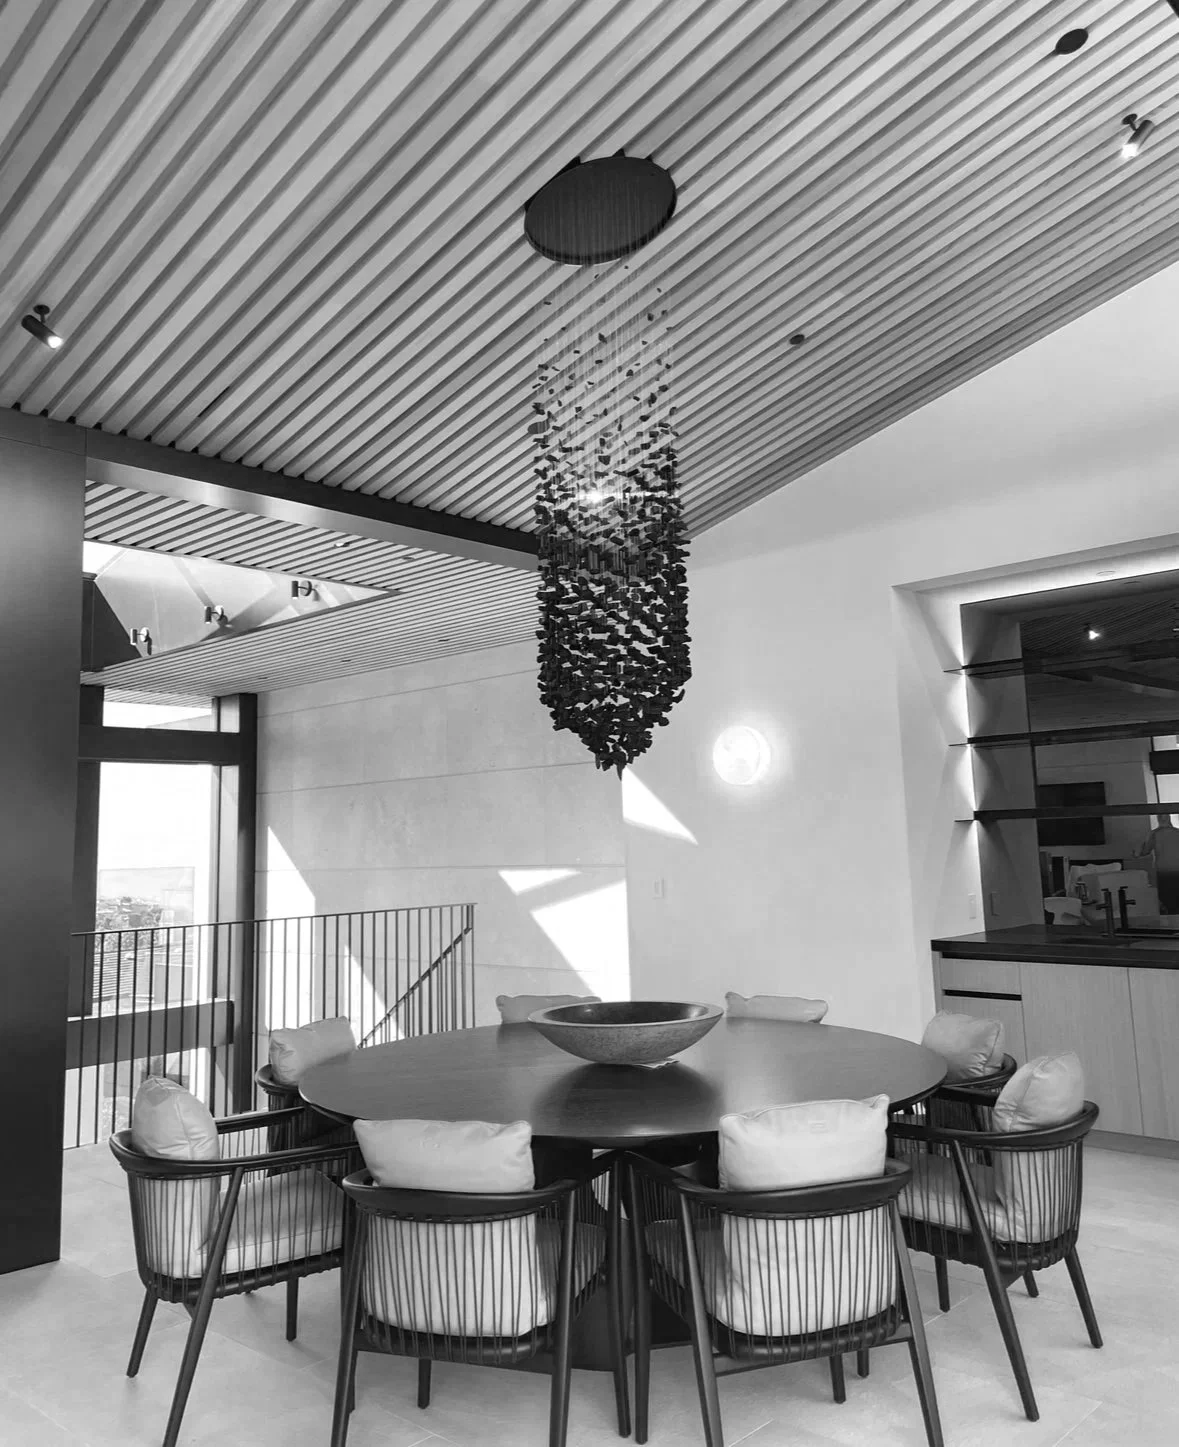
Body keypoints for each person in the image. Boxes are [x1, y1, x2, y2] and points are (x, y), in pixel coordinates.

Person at [1137, 814, 1179, 914]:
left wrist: (1138, 850)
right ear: (1169, 818)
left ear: (1158, 818)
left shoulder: (1154, 834)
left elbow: (1144, 852)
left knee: (1167, 899)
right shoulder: (1178, 832)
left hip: (1163, 870)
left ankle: (1171, 923)